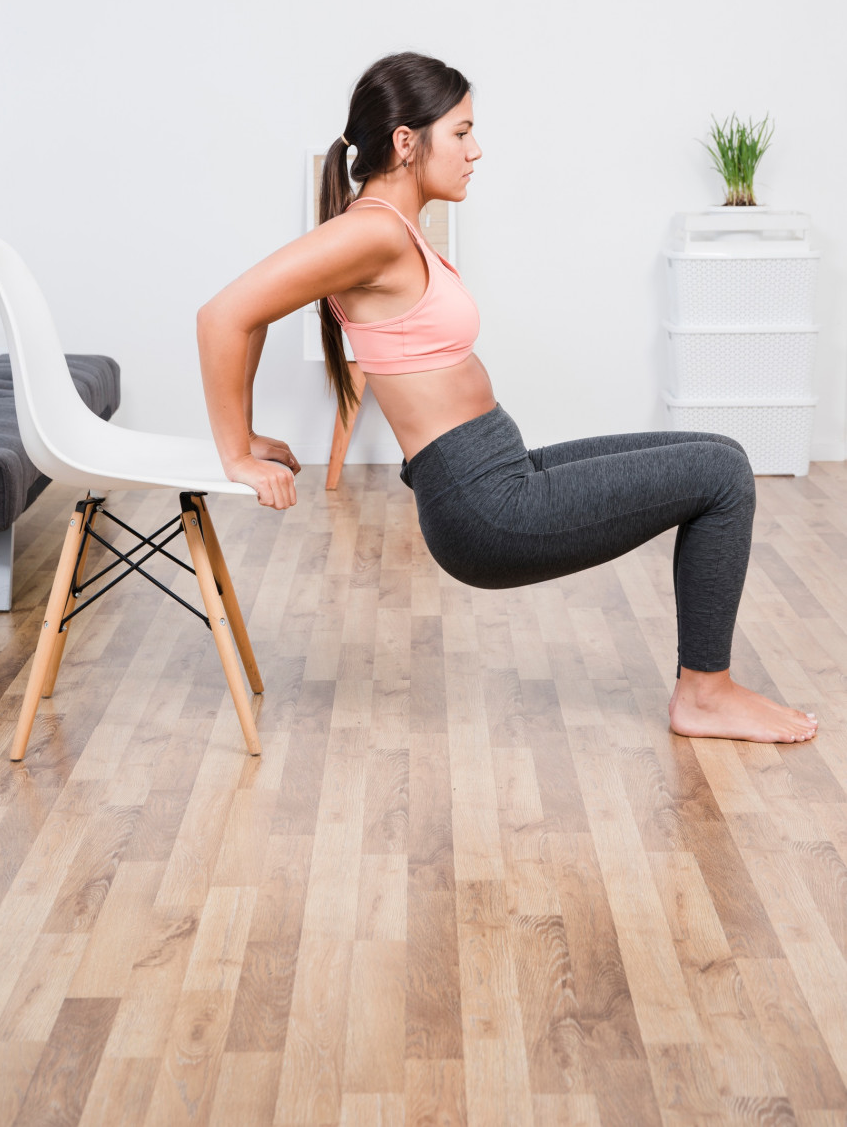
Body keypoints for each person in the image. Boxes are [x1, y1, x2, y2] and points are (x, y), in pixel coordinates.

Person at [197, 52, 819, 745]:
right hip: (485, 507)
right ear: (407, 142)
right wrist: (236, 448)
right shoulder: (370, 231)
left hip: (500, 472)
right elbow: (226, 315)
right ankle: (705, 695)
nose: (475, 150)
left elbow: (241, 318)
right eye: (461, 133)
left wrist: (248, 435)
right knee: (724, 476)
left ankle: (706, 692)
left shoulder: (392, 230)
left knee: (720, 455)